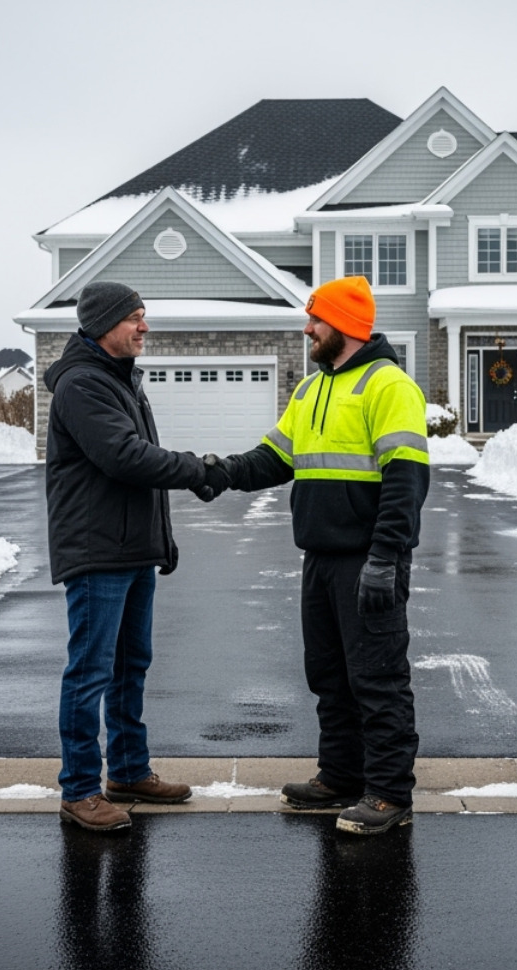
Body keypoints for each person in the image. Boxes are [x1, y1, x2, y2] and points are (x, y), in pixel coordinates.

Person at [198, 276, 430, 835]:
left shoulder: (388, 385)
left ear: (345, 325)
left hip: (370, 559)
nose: (307, 330)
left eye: (316, 320)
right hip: (320, 559)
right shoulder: (310, 390)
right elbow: (274, 458)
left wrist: (385, 557)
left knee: (377, 677)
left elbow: (405, 481)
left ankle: (389, 793)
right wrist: (221, 473)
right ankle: (341, 776)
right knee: (329, 675)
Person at [42, 280, 207, 831]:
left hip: (131, 548)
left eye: (144, 315)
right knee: (90, 672)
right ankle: (79, 790)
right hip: (98, 552)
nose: (144, 326)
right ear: (103, 324)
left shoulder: (120, 380)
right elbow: (126, 458)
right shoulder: (81, 384)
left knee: (131, 666)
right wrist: (200, 470)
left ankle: (130, 771)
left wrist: (161, 540)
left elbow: (140, 469)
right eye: (134, 317)